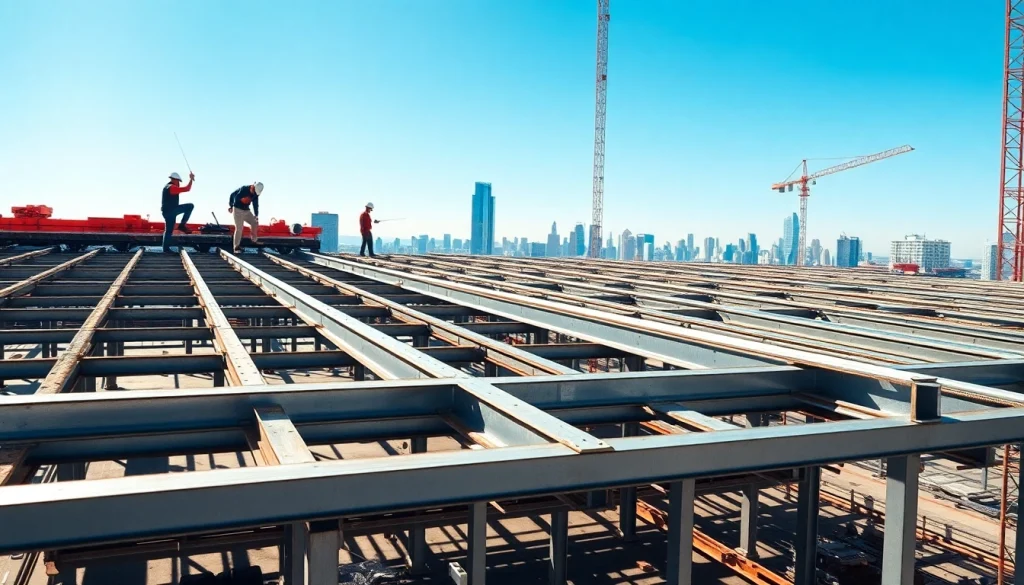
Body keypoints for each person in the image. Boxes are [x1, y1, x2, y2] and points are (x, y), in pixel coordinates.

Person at [161, 171, 195, 253]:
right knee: (190, 206)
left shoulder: (167, 187)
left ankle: (165, 249)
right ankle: (182, 225)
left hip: (167, 211)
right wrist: (191, 179)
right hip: (172, 211)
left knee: (168, 231)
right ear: (175, 180)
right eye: (178, 181)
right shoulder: (172, 187)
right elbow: (187, 189)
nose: (179, 183)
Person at [228, 182, 264, 252]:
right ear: (252, 187)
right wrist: (231, 205)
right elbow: (233, 196)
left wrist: (256, 215)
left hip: (246, 210)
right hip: (237, 209)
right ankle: (236, 247)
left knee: (254, 222)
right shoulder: (243, 189)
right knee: (239, 228)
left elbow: (255, 204)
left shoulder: (255, 194)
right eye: (253, 191)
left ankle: (254, 240)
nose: (253, 193)